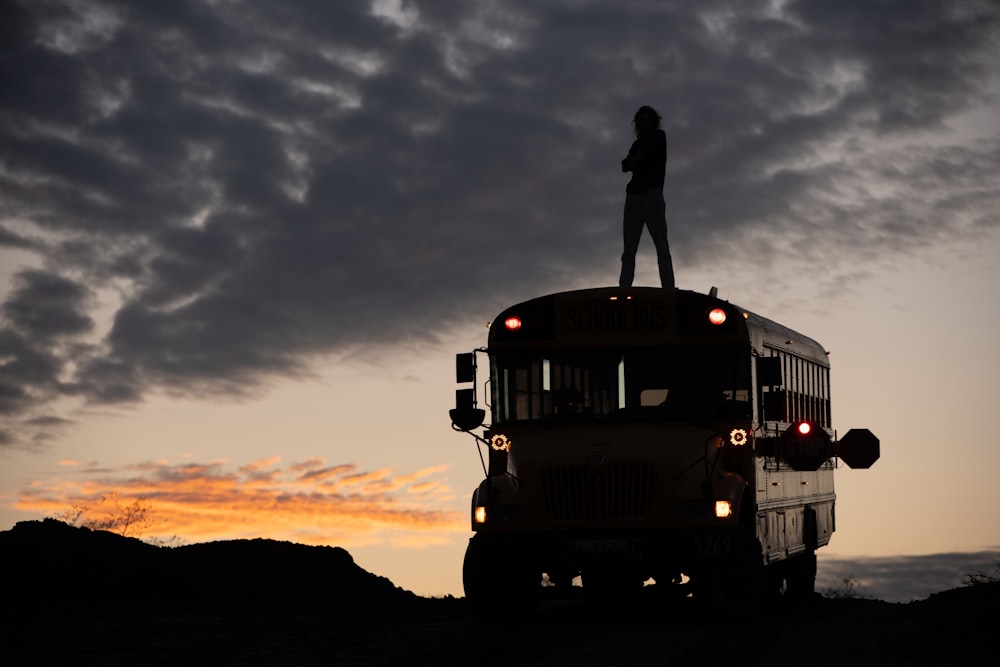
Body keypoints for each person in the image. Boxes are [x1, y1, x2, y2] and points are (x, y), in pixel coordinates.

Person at [619, 105, 674, 289]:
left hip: (652, 194)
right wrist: (636, 160)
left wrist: (636, 160)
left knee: (662, 247)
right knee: (629, 249)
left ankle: (668, 287)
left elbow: (634, 161)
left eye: (647, 120)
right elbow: (625, 165)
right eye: (640, 121)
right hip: (633, 196)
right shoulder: (637, 143)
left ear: (653, 122)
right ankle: (624, 287)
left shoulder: (659, 136)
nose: (643, 124)